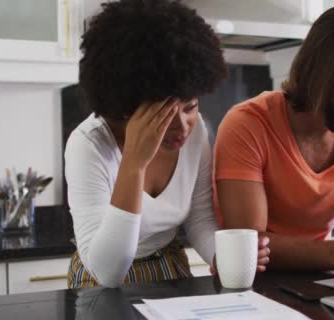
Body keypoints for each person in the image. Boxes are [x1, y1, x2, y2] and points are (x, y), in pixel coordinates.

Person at [64, 0, 269, 289]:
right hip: (99, 283)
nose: (184, 125)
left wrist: (220, 256)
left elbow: (199, 219)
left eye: (191, 106)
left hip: (170, 268)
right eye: (166, 114)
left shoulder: (197, 133)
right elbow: (107, 271)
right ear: (127, 106)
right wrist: (134, 163)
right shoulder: (89, 145)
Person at [213, 4, 334, 273]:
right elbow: (250, 246)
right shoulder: (248, 124)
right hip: (260, 289)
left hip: (322, 281)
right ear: (321, 78)